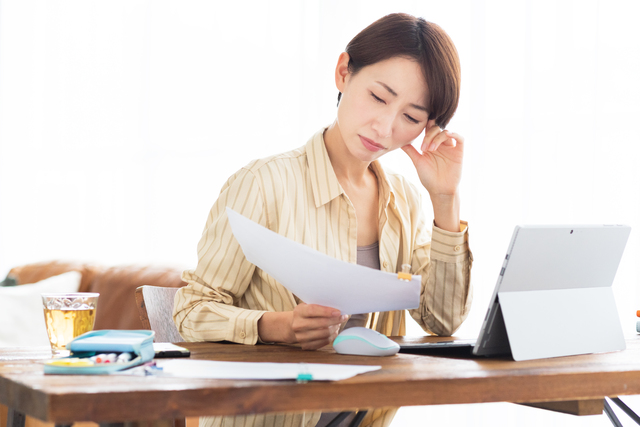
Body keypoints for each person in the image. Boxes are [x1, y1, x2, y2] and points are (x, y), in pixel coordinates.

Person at [173, 12, 473, 427]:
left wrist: (445, 199)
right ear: (343, 72)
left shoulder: (405, 200)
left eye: (411, 117)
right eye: (379, 97)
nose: (384, 127)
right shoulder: (264, 183)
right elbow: (190, 312)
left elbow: (442, 320)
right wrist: (278, 327)